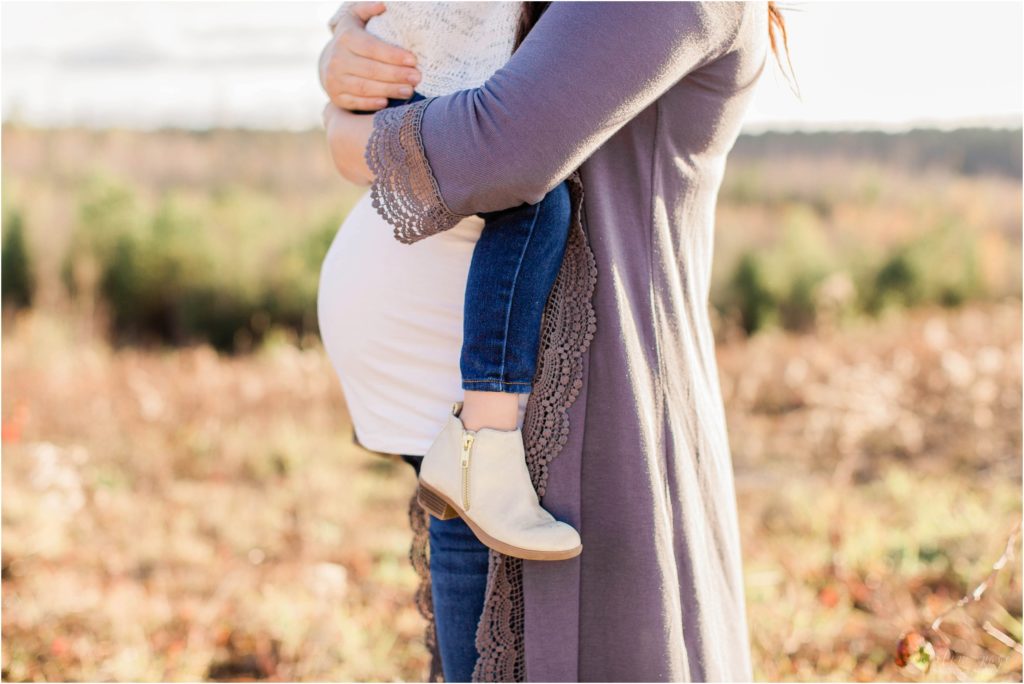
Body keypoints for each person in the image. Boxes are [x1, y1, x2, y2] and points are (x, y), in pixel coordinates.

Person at [319, 2, 790, 681]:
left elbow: (501, 146)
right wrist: (345, 59)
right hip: (469, 450)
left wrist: (342, 133)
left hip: (561, 439)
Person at [336, 1, 582, 563]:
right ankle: (484, 440)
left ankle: (479, 454)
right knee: (534, 201)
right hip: (429, 80)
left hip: (417, 371)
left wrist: (341, 43)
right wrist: (342, 41)